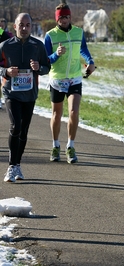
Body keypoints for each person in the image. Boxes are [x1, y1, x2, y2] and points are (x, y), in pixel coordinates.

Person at [0, 13, 51, 182]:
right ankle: (11, 166)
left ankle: (18, 165)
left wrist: (39, 68)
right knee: (16, 125)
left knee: (24, 131)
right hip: (11, 92)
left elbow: (47, 67)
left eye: (27, 25)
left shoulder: (38, 46)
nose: (24, 28)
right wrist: (6, 71)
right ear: (15, 26)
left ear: (31, 27)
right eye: (21, 25)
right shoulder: (5, 46)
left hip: (30, 94)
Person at [44, 3, 96, 163]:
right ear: (57, 19)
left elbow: (83, 48)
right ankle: (55, 145)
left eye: (66, 17)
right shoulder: (50, 35)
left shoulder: (78, 32)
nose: (64, 20)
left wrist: (90, 61)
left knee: (73, 111)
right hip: (57, 79)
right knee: (56, 115)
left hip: (75, 78)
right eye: (61, 18)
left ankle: (70, 146)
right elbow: (46, 60)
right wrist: (56, 54)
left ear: (70, 17)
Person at [0, 18, 12, 109]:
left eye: (3, 23)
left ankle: (4, 99)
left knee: (3, 84)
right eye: (0, 23)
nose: (1, 25)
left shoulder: (8, 35)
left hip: (4, 63)